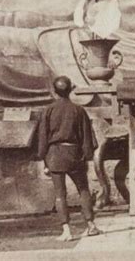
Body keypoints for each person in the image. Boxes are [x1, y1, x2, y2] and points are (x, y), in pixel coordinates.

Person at [38, 76, 101, 240]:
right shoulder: (79, 110)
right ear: (70, 90)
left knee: (60, 194)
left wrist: (43, 159)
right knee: (84, 190)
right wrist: (86, 156)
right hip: (75, 155)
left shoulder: (48, 110)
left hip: (55, 155)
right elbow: (87, 136)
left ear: (54, 91)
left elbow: (43, 138)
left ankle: (66, 231)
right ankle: (91, 225)